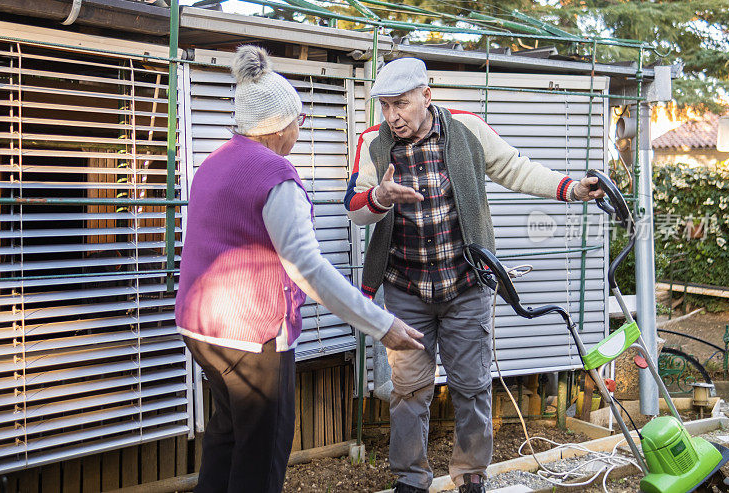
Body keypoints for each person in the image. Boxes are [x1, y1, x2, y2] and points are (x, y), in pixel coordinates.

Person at [343, 57, 605, 493]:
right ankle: (410, 480)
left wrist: (571, 188)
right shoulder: (372, 142)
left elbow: (515, 167)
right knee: (410, 391)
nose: (392, 116)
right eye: (385, 106)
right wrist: (380, 196)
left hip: (466, 286)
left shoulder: (466, 129)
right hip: (406, 289)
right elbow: (354, 207)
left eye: (401, 104)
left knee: (472, 387)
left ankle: (470, 476)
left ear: (426, 96)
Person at [175, 46, 424, 493]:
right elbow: (307, 267)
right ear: (278, 124)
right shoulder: (276, 175)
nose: (300, 127)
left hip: (201, 331)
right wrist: (381, 324)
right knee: (260, 461)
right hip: (253, 339)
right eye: (299, 119)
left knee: (227, 439)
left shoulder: (212, 165)